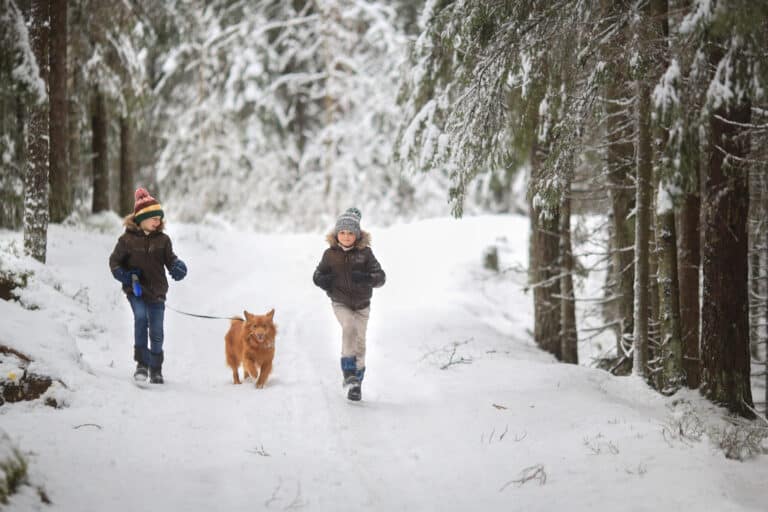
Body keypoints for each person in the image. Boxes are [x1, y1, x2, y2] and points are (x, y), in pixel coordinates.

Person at [109, 188, 187, 384]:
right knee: (141, 319)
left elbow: (171, 260)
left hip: (157, 293)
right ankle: (142, 365)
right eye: (153, 217)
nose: (157, 221)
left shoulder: (163, 240)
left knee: (157, 332)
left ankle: (156, 368)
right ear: (141, 218)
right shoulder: (126, 240)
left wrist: (178, 267)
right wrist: (127, 277)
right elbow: (114, 263)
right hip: (136, 291)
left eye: (159, 218)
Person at [313, 208, 386, 401]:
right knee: (349, 327)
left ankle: (356, 384)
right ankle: (348, 372)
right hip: (341, 302)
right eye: (342, 232)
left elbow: (381, 278)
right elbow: (317, 274)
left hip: (362, 305)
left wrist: (366, 277)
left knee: (360, 343)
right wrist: (322, 280)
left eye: (350, 233)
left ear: (357, 235)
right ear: (337, 234)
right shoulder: (330, 254)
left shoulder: (365, 254)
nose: (346, 236)